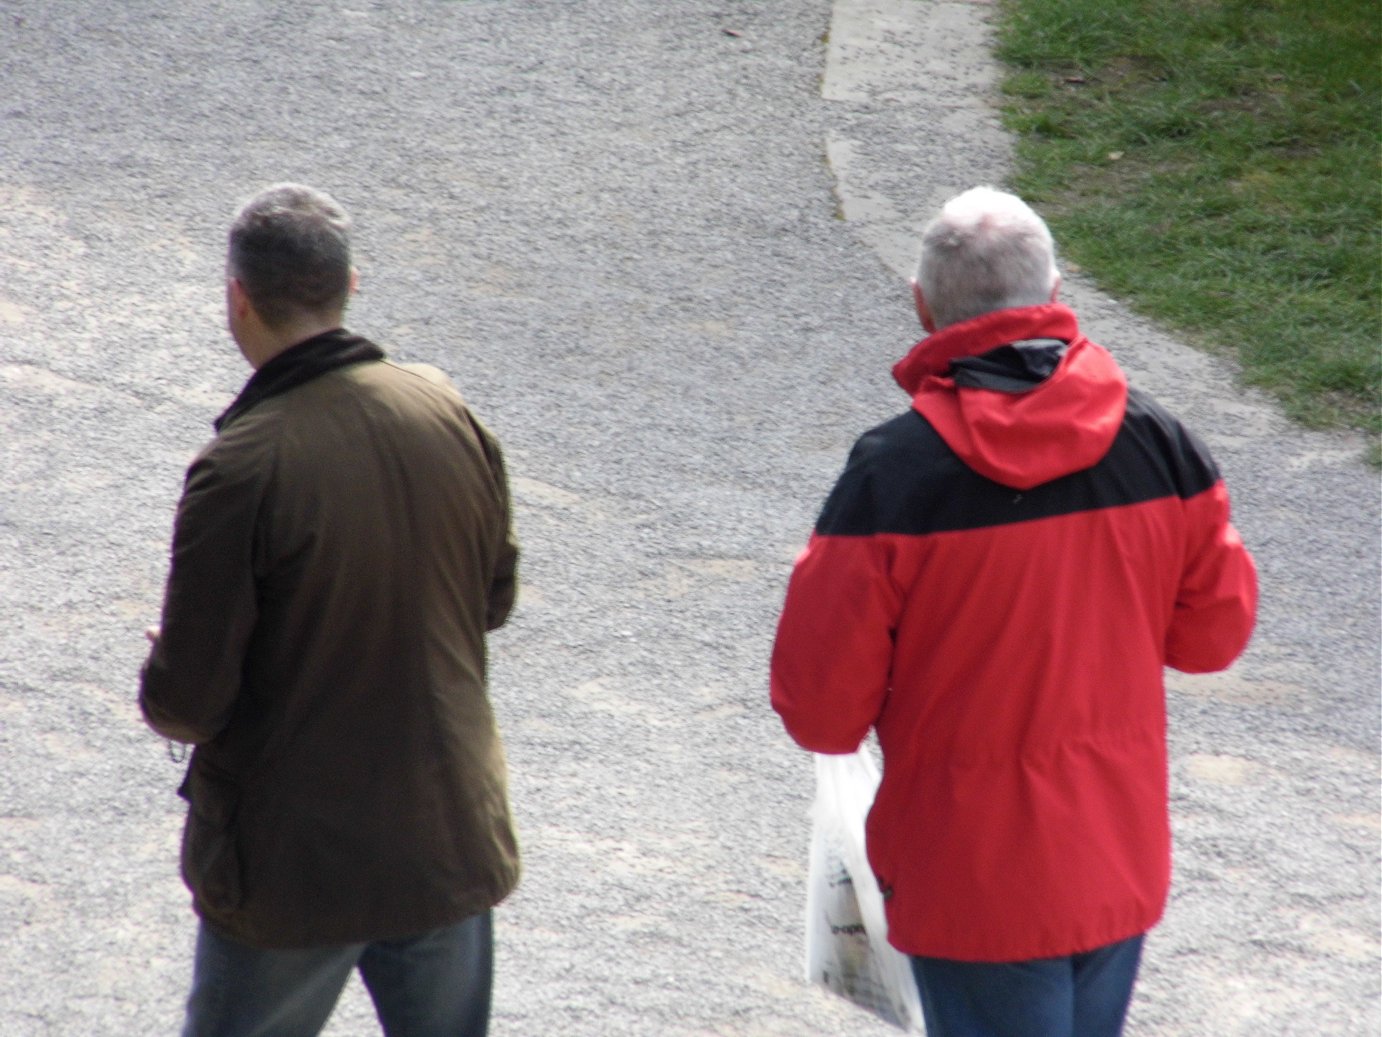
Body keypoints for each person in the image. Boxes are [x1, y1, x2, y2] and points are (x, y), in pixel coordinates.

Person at [770, 186, 1257, 1037]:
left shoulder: (892, 474)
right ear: (1058, 296)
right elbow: (1213, 636)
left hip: (969, 878)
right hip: (1113, 857)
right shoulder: (1162, 443)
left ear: (922, 306)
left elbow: (822, 711)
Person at [139, 183, 520, 1037]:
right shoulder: (443, 406)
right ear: (349, 286)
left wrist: (167, 660)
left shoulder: (241, 467)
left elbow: (188, 702)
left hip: (294, 866)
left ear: (238, 299)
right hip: (443, 836)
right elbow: (491, 599)